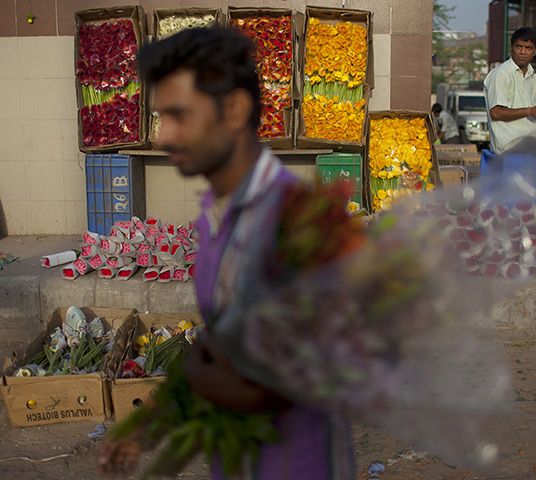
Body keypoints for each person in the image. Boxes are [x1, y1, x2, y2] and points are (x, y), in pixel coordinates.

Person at [97, 27, 355, 480]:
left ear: (234, 109)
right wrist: (147, 426)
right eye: (160, 117)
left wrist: (168, 428)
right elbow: (224, 342)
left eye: (178, 115)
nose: (162, 137)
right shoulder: (214, 216)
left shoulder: (291, 221)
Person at [483, 27, 536, 155]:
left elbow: (535, 111)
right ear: (512, 48)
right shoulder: (501, 74)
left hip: (531, 139)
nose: (522, 52)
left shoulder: (533, 76)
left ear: (534, 51)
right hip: (510, 145)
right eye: (518, 46)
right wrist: (531, 111)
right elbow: (496, 113)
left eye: (528, 48)